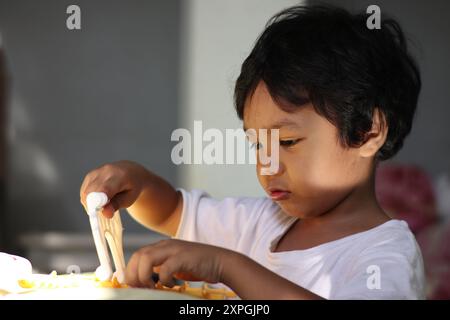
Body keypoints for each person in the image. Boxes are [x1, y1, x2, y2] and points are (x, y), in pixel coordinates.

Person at [80, 5, 425, 299]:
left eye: (287, 142)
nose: (266, 164)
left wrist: (225, 266)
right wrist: (134, 182)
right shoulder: (263, 223)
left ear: (368, 132)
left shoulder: (385, 255)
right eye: (257, 145)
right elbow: (173, 212)